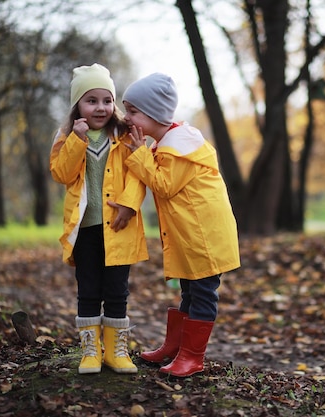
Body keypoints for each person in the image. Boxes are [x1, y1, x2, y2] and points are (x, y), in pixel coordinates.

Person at [122, 73, 240, 377]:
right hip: (191, 236)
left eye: (133, 111)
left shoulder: (181, 147)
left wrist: (137, 155)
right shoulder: (168, 144)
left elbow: (163, 185)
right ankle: (175, 348)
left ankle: (192, 357)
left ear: (154, 115)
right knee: (188, 292)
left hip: (205, 238)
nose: (126, 117)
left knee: (202, 293)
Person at [49, 63, 149, 375]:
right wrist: (76, 141)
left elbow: (139, 174)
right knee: (89, 289)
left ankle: (116, 352)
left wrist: (129, 206)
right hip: (85, 231)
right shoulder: (66, 136)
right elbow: (61, 174)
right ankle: (90, 352)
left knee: (117, 290)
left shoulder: (123, 136)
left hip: (119, 228)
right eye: (91, 100)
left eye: (107, 100)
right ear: (77, 104)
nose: (101, 107)